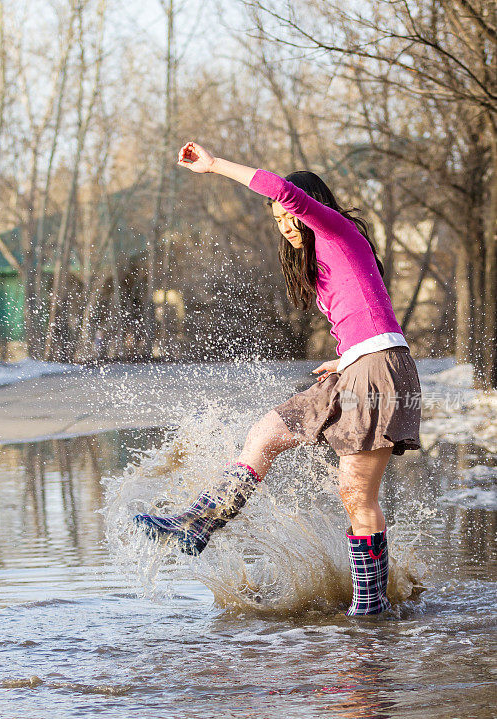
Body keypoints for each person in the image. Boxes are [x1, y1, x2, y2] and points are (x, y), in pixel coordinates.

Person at [132, 141, 422, 616]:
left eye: (291, 215)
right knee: (264, 434)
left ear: (313, 210)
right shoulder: (325, 261)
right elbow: (364, 314)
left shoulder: (337, 232)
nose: (287, 225)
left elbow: (283, 192)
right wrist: (345, 357)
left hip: (378, 371)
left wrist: (215, 166)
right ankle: (198, 524)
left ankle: (370, 608)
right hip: (357, 365)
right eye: (279, 221)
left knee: (354, 492)